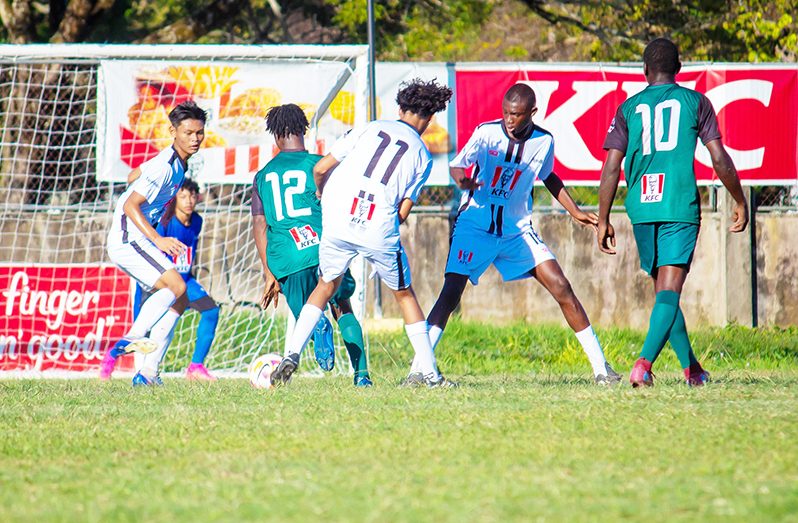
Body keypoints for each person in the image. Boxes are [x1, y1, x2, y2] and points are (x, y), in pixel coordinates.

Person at [418, 83, 622, 385]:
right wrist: (463, 181)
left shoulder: (543, 140)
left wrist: (575, 211)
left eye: (516, 115)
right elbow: (459, 165)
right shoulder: (487, 132)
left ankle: (602, 370)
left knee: (561, 286)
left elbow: (549, 175)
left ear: (532, 113)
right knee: (451, 293)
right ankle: (420, 369)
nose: (509, 120)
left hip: (517, 230)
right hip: (475, 226)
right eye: (506, 113)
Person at [271, 78, 454, 388]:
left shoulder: (369, 128)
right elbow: (403, 212)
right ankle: (432, 376)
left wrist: (320, 192)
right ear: (430, 116)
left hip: (338, 218)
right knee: (404, 294)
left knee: (326, 285)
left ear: (400, 108)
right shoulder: (422, 156)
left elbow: (320, 169)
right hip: (377, 224)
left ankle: (291, 353)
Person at [597, 37, 748, 387]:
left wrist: (603, 218)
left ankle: (693, 370)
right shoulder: (696, 102)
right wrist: (738, 199)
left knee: (665, 293)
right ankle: (643, 364)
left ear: (645, 70)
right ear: (678, 68)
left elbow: (610, 168)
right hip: (677, 204)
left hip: (641, 207)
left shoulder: (628, 108)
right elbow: (719, 158)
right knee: (669, 292)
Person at [251, 103, 372, 387]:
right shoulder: (320, 165)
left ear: (275, 135)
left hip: (286, 256)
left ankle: (316, 324)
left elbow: (259, 225)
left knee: (307, 311)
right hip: (323, 247)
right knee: (342, 305)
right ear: (304, 130)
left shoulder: (262, 175)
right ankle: (362, 377)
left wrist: (269, 272)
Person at [100, 101, 207, 386]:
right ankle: (133, 337)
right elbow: (131, 206)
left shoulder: (175, 164)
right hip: (128, 239)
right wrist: (158, 238)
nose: (195, 139)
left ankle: (148, 373)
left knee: (180, 298)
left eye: (199, 133)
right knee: (178, 286)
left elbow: (132, 176)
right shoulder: (164, 166)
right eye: (188, 133)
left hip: (135, 238)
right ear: (173, 131)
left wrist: (141, 183)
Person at [128, 178, 220, 381]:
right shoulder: (164, 224)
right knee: (148, 330)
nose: (189, 201)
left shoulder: (197, 221)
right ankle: (145, 373)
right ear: (175, 199)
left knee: (211, 310)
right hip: (161, 284)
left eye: (193, 196)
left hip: (185, 282)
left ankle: (195, 367)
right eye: (183, 196)